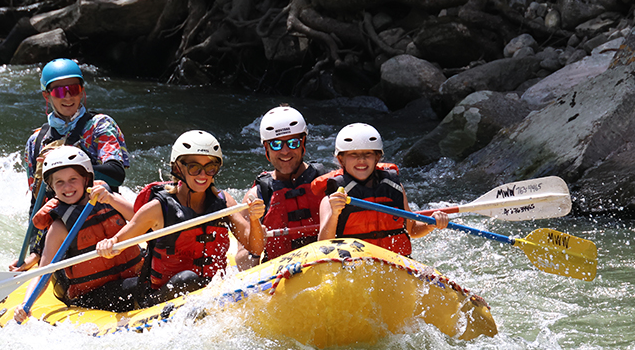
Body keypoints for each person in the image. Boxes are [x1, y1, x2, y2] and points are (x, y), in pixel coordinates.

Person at [96, 130, 266, 306]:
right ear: (178, 168)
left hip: (212, 293)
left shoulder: (224, 202)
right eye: (194, 167)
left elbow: (256, 247)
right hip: (160, 299)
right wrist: (109, 244)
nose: (203, 175)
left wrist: (254, 220)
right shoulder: (158, 208)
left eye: (210, 168)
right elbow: (119, 243)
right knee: (188, 279)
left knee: (192, 280)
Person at [12, 58, 131, 271]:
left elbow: (115, 174)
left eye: (73, 89)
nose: (67, 97)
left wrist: (63, 160)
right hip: (62, 233)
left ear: (82, 91)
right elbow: (38, 201)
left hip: (104, 226)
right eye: (59, 91)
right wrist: (34, 252)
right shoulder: (37, 141)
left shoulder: (100, 126)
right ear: (47, 96)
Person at [13, 146, 143, 323]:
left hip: (129, 275)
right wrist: (25, 305)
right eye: (59, 182)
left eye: (73, 179)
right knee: (142, 285)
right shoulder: (60, 226)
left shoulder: (108, 198)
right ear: (51, 186)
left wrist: (112, 199)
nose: (67, 187)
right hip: (91, 295)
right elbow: (43, 272)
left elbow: (141, 221)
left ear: (86, 179)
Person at [316, 123, 448, 256]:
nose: (361, 159)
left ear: (377, 157)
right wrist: (334, 214)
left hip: (395, 265)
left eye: (368, 154)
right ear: (341, 159)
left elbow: (412, 230)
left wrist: (430, 224)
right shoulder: (332, 198)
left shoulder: (394, 188)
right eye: (353, 154)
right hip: (353, 266)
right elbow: (324, 246)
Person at [236, 105, 325, 269]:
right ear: (266, 149)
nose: (285, 151)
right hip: (281, 278)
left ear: (303, 143)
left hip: (322, 267)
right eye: (276, 144)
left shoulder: (326, 182)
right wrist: (255, 249)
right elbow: (243, 262)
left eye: (293, 143)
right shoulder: (257, 196)